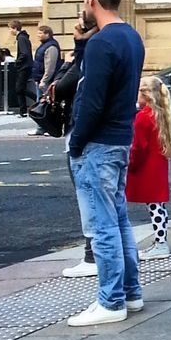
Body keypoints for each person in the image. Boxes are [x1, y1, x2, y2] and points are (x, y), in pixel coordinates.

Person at [64, 0, 145, 327]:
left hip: (97, 144)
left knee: (102, 226)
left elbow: (91, 101)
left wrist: (76, 142)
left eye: (85, 1)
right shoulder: (131, 37)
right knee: (119, 220)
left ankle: (110, 301)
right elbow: (99, 81)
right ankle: (131, 292)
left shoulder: (103, 44)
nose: (84, 7)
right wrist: (83, 44)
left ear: (92, 1)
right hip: (120, 139)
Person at [56, 16, 100, 277]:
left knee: (90, 200)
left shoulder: (87, 64)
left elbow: (61, 87)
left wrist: (76, 144)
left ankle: (92, 257)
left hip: (85, 142)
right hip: (98, 141)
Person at [129, 75, 171, 261]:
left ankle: (161, 244)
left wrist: (130, 164)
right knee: (158, 206)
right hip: (158, 165)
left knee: (154, 207)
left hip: (147, 167)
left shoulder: (143, 117)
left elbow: (138, 147)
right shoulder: (161, 113)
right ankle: (160, 241)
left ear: (145, 95)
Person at [11, 20, 34, 107]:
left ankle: (37, 100)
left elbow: (24, 53)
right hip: (26, 66)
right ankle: (23, 109)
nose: (10, 31)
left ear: (15, 28)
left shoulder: (21, 38)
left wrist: (17, 62)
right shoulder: (23, 37)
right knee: (21, 88)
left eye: (10, 29)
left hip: (24, 66)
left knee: (20, 88)